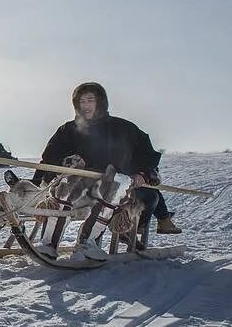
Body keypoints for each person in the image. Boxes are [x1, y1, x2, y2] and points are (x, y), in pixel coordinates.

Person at [31, 81, 181, 236]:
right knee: (62, 197)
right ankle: (50, 243)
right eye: (81, 101)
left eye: (90, 100)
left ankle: (115, 235)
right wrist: (37, 186)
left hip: (115, 189)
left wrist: (143, 174)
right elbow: (49, 159)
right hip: (75, 190)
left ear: (100, 102)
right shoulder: (67, 130)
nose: (85, 105)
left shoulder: (123, 128)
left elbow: (147, 155)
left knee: (151, 196)